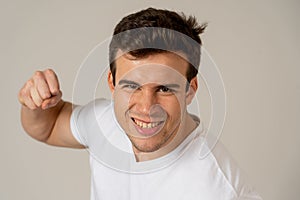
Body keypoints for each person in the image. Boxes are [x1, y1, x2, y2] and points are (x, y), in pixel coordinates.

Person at [19, 7, 262, 200]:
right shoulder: (105, 121)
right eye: (132, 86)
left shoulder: (216, 191)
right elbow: (48, 127)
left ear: (190, 90)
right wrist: (35, 103)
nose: (146, 108)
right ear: (112, 83)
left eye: (165, 88)